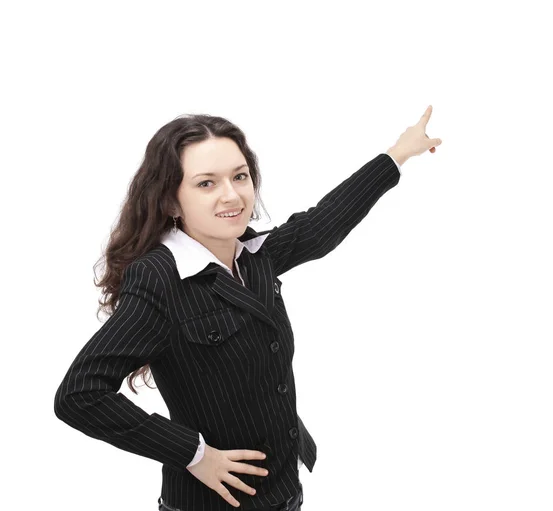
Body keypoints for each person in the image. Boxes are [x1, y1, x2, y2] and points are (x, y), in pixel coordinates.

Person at [54, 106, 442, 511]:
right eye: (206, 183)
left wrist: (397, 154)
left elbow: (322, 225)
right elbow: (79, 395)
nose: (232, 195)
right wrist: (193, 454)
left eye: (240, 176)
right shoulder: (160, 279)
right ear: (171, 200)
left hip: (283, 489)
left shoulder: (254, 254)